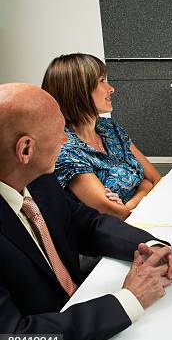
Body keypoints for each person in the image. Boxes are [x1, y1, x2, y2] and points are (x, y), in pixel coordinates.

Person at [0, 83, 172, 340]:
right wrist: (128, 300)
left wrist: (152, 247)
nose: (66, 141)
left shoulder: (38, 179)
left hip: (81, 307)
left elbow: (87, 224)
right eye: (58, 132)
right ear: (25, 150)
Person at [42, 53, 161, 220]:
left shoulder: (110, 128)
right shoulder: (66, 150)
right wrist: (143, 188)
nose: (111, 88)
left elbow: (154, 178)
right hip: (109, 238)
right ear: (79, 90)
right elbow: (114, 213)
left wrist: (130, 203)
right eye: (102, 81)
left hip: (145, 217)